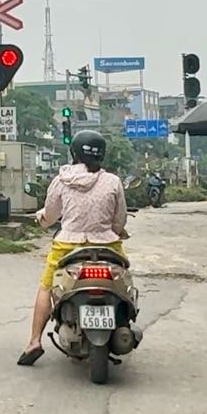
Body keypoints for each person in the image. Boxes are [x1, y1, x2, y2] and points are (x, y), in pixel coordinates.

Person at [18, 130, 128, 366]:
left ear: (74, 152)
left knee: (46, 287)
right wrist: (115, 231)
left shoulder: (62, 181)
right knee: (124, 284)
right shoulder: (113, 181)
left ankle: (35, 341)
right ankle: (126, 320)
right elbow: (120, 220)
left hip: (68, 247)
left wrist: (42, 219)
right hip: (107, 246)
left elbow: (50, 216)